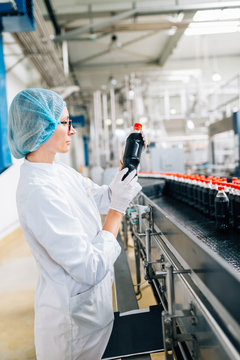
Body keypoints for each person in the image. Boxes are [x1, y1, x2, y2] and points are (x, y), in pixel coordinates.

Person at [8, 88, 143, 360]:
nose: (72, 130)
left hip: (92, 315)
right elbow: (90, 267)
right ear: (43, 127)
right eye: (65, 122)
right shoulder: (38, 191)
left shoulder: (57, 171)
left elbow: (101, 198)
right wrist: (116, 213)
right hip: (73, 331)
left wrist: (124, 170)